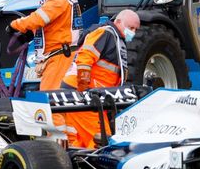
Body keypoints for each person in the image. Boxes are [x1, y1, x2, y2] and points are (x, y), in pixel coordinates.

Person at [60, 10, 140, 148]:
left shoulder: (115, 39)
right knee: (101, 139)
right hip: (84, 93)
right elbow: (85, 57)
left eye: (135, 29)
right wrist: (84, 88)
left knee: (79, 138)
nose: (133, 32)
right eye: (131, 28)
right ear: (118, 22)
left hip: (87, 94)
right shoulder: (106, 33)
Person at [8, 0, 83, 91]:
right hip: (62, 54)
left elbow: (39, 19)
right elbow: (51, 23)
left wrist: (15, 25)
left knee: (49, 98)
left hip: (59, 57)